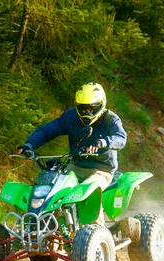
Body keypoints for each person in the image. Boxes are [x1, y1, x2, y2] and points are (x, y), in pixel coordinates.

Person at [17, 82, 127, 225]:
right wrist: (29, 144)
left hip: (102, 170)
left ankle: (98, 232)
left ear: (101, 105)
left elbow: (121, 138)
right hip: (76, 167)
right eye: (83, 108)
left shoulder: (111, 119)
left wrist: (102, 142)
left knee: (88, 193)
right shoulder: (70, 117)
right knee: (52, 187)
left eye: (91, 109)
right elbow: (47, 130)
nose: (87, 112)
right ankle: (42, 226)